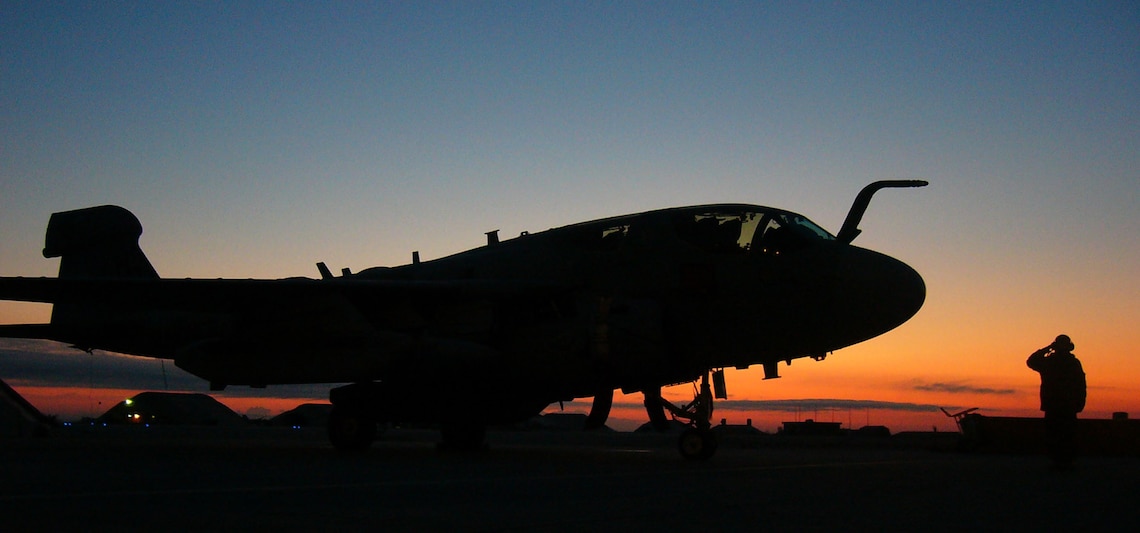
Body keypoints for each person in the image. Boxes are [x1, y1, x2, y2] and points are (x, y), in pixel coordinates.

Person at [1026, 334, 1086, 468]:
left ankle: (1062, 460)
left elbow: (1032, 361)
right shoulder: (1062, 362)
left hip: (1058, 403)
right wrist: (1080, 401)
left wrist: (1048, 348)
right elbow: (1081, 384)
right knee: (1063, 433)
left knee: (1058, 433)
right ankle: (1062, 460)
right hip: (1062, 404)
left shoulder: (1052, 362)